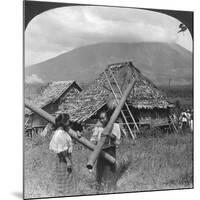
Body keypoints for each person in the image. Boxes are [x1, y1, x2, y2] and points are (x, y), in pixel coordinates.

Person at [41, 113, 73, 194]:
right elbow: (62, 149)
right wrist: (68, 161)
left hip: (63, 158)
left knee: (64, 179)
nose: (69, 122)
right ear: (64, 122)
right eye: (68, 120)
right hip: (63, 158)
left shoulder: (61, 131)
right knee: (64, 179)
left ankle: (65, 193)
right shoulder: (60, 134)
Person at [90, 110, 121, 191]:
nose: (101, 120)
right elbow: (93, 139)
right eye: (100, 118)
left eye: (103, 118)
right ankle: (99, 188)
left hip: (110, 150)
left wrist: (109, 135)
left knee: (110, 169)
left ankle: (111, 188)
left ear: (108, 118)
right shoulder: (98, 127)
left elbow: (117, 140)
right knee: (100, 169)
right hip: (100, 151)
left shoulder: (115, 126)